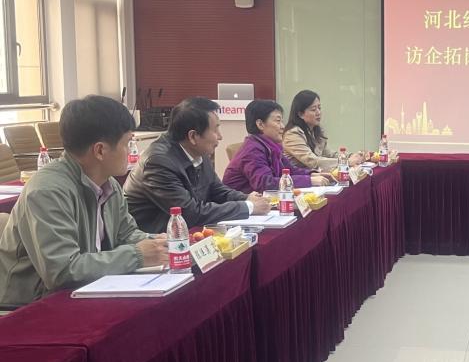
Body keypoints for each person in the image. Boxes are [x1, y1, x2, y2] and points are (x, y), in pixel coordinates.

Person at [0, 96, 168, 306]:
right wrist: (137, 255)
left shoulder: (109, 184)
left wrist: (160, 243)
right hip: (28, 306)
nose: (132, 151)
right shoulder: (48, 191)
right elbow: (62, 271)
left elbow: (126, 234)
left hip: (82, 289)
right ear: (100, 150)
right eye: (127, 143)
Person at [125, 97, 270, 233]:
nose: (220, 136)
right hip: (155, 238)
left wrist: (246, 198)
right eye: (215, 129)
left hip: (183, 233)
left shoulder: (197, 151)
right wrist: (248, 207)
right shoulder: (158, 162)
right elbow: (189, 213)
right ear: (193, 136)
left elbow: (217, 190)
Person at [223, 99, 332, 194]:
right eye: (278, 121)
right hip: (242, 205)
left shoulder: (270, 146)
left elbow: (290, 170)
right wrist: (309, 181)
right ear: (260, 124)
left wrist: (314, 175)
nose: (283, 126)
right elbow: (266, 183)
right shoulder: (253, 149)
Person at [283, 90, 340, 171]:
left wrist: (351, 157)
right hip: (299, 178)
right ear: (300, 114)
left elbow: (329, 154)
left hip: (316, 176)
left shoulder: (315, 131)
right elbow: (313, 161)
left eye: (319, 108)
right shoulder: (292, 134)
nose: (318, 113)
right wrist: (345, 162)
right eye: (313, 109)